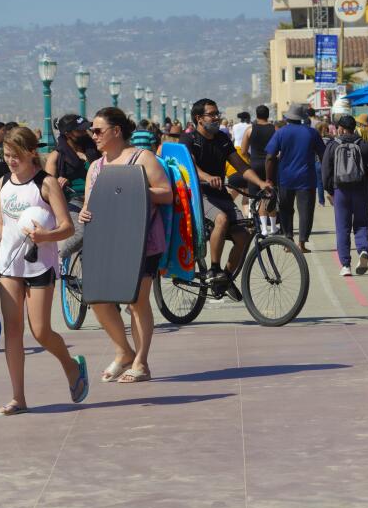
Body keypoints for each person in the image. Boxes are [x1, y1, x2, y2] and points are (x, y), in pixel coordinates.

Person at [0, 126, 88, 416]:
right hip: (9, 266)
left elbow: (67, 226)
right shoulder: (3, 184)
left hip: (39, 266)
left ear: (32, 153)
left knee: (41, 332)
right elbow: (1, 226)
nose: (11, 161)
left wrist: (45, 237)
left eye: (16, 155)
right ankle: (18, 398)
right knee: (12, 331)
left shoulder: (45, 184)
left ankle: (71, 366)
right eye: (7, 155)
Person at [80, 107, 172, 383]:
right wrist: (85, 211)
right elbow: (88, 202)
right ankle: (124, 351)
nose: (93, 136)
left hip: (141, 241)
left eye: (98, 130)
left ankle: (141, 362)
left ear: (116, 131)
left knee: (136, 302)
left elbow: (166, 194)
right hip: (105, 241)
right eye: (91, 131)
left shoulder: (142, 158)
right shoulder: (96, 167)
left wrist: (135, 189)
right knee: (97, 298)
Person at [181, 98, 271, 299]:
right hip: (199, 193)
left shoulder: (222, 138)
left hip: (220, 193)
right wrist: (207, 177)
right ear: (199, 118)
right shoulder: (189, 139)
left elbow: (240, 165)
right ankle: (214, 269)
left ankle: (226, 278)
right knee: (221, 219)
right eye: (211, 114)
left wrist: (262, 182)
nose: (216, 117)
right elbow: (190, 166)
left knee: (245, 234)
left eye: (216, 113)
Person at [322, 114, 368, 277]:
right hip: (361, 190)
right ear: (354, 127)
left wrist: (330, 191)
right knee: (362, 223)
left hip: (340, 191)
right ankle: (363, 249)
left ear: (340, 128)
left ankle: (345, 265)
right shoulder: (364, 145)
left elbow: (325, 171)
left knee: (342, 227)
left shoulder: (333, 146)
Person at [264, 104, 324, 251]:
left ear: (288, 118)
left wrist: (268, 178)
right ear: (302, 118)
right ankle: (302, 243)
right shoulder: (312, 133)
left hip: (285, 178)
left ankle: (288, 242)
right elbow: (324, 155)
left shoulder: (281, 133)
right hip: (307, 178)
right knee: (306, 211)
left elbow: (270, 157)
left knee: (285, 209)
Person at [44, 114, 100, 261]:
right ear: (68, 133)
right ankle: (61, 258)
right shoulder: (56, 156)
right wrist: (57, 182)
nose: (84, 133)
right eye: (79, 130)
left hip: (97, 198)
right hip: (73, 201)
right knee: (80, 233)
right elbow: (46, 186)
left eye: (85, 129)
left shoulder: (95, 150)